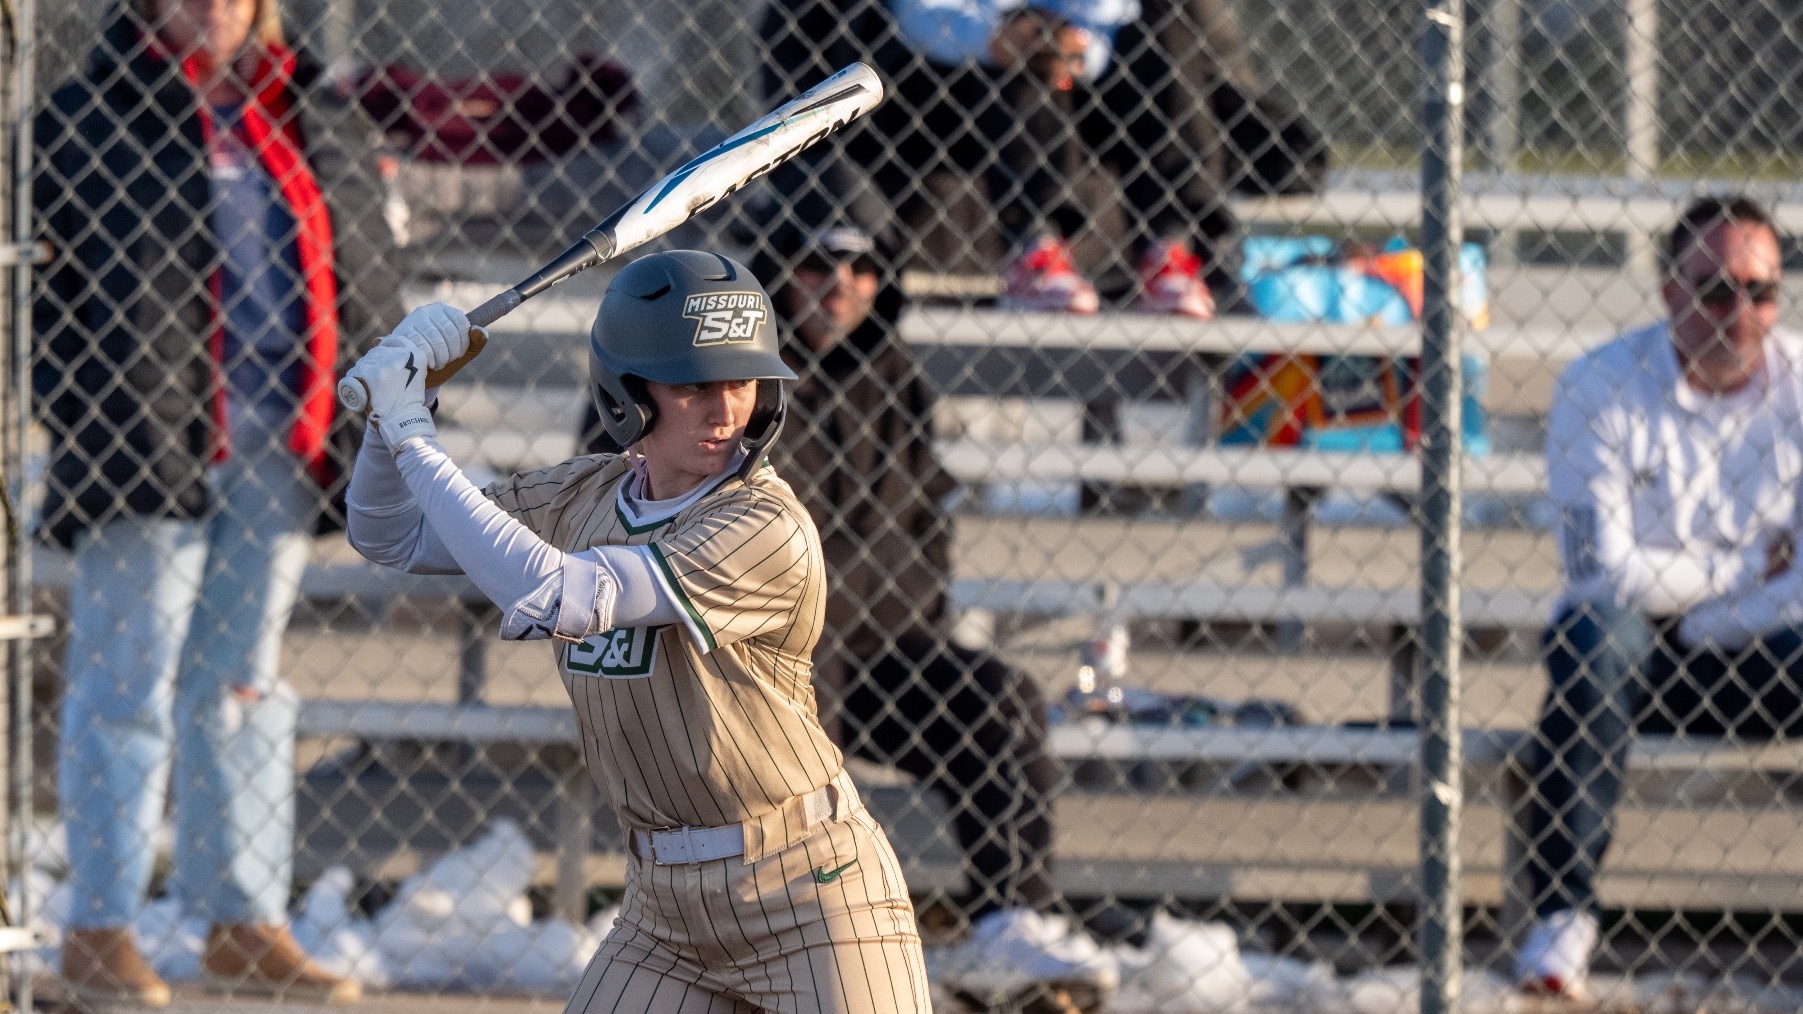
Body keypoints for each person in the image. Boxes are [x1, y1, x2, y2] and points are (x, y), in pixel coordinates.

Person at [343, 251, 933, 1013]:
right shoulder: (583, 494)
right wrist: (392, 409)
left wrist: (411, 429)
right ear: (627, 394)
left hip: (810, 892)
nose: (726, 411)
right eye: (692, 386)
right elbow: (388, 533)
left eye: (741, 382)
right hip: (664, 912)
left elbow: (562, 595)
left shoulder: (764, 522)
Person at [33, 0, 404, 1005]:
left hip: (281, 442)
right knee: (127, 686)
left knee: (242, 686)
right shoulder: (92, 114)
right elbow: (45, 296)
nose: (214, 11)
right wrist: (82, 405)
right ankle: (98, 930)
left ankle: (241, 921)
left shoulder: (305, 112)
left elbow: (362, 260)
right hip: (146, 441)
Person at [753, 222, 1120, 1009]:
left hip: (883, 644)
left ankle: (1009, 922)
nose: (840, 283)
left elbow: (922, 537)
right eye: (818, 262)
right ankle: (789, 942)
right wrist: (862, 575)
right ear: (781, 270)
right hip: (772, 657)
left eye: (862, 267)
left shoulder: (893, 375)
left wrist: (865, 578)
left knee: (1001, 698)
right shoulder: (746, 386)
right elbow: (765, 556)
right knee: (803, 707)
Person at [1520, 194, 1803, 999]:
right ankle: (1560, 923)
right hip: (1628, 662)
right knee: (1594, 637)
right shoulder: (1599, 385)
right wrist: (1749, 567)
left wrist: (1704, 606)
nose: (1739, 312)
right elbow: (1599, 576)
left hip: (1761, 654)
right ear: (1667, 290)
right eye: (1714, 289)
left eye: (1762, 291)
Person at [759, 0, 1265, 315]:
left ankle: (1170, 250)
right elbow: (919, 14)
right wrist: (996, 38)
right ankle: (1036, 252)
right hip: (940, 78)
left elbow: (1110, 9)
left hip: (1073, 67)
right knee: (1028, 55)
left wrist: (1075, 43)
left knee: (1163, 32)